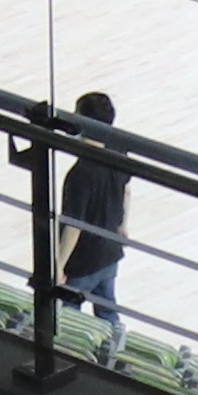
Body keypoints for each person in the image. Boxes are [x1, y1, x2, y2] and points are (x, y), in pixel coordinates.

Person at [49, 89, 133, 324]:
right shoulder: (119, 150)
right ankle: (114, 344)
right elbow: (126, 190)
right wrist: (122, 225)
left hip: (83, 262)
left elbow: (74, 226)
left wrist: (58, 265)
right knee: (108, 312)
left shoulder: (80, 175)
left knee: (68, 317)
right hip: (109, 252)